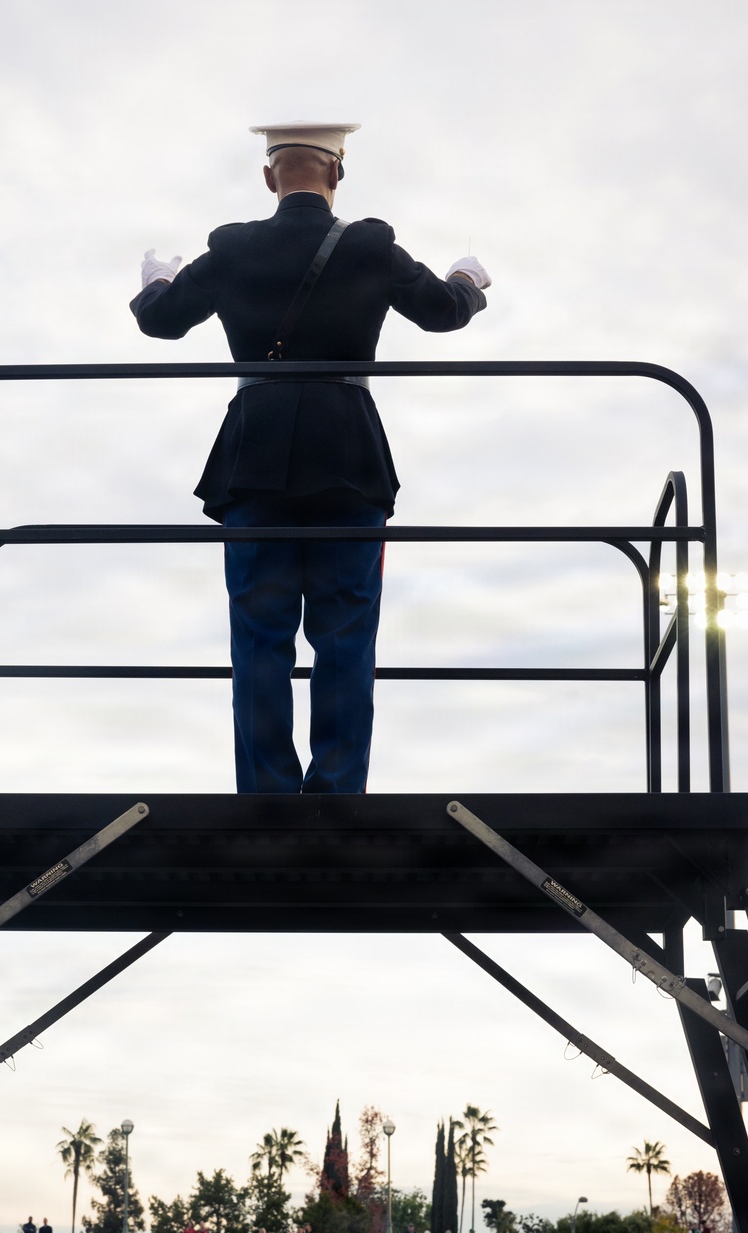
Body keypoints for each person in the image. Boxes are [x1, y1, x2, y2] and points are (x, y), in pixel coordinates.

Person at [131, 121, 489, 794]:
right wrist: (467, 280)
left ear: (270, 177)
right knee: (346, 634)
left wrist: (158, 279)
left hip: (255, 456)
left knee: (259, 637)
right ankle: (337, 791)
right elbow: (443, 313)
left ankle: (267, 792)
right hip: (348, 457)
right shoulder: (370, 244)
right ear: (337, 174)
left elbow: (161, 320)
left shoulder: (232, 247)